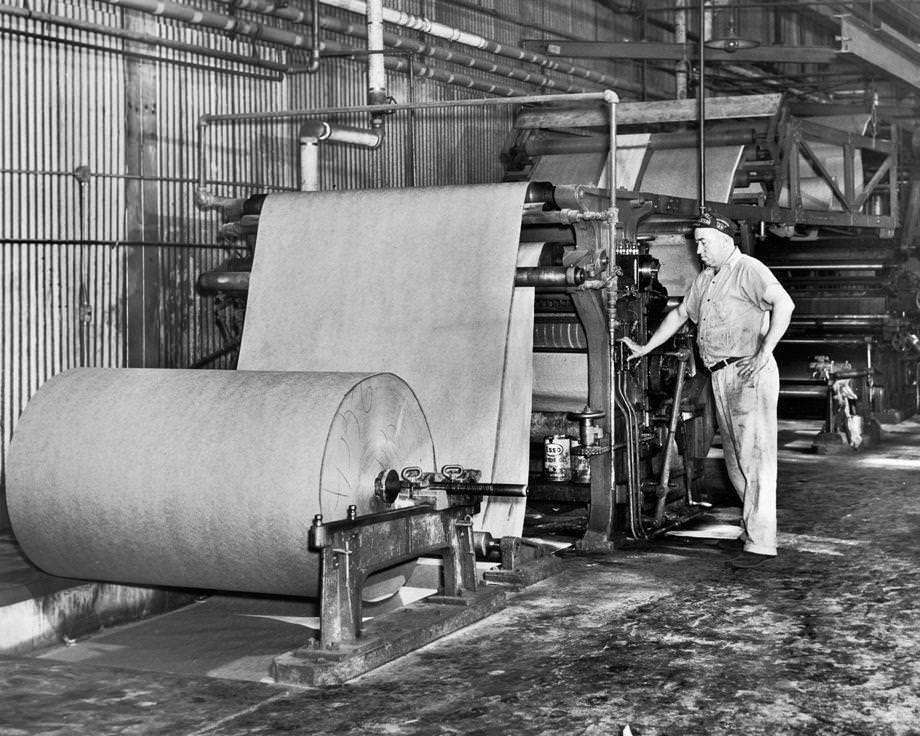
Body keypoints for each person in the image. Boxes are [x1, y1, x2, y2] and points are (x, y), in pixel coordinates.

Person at [621, 210, 795, 569]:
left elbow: (784, 304)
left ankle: (762, 541)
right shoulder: (707, 279)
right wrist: (645, 348)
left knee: (756, 458)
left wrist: (765, 352)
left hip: (748, 371)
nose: (698, 249)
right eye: (697, 242)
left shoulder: (749, 268)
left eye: (703, 242)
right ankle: (752, 530)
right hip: (720, 374)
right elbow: (680, 315)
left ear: (726, 240)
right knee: (735, 458)